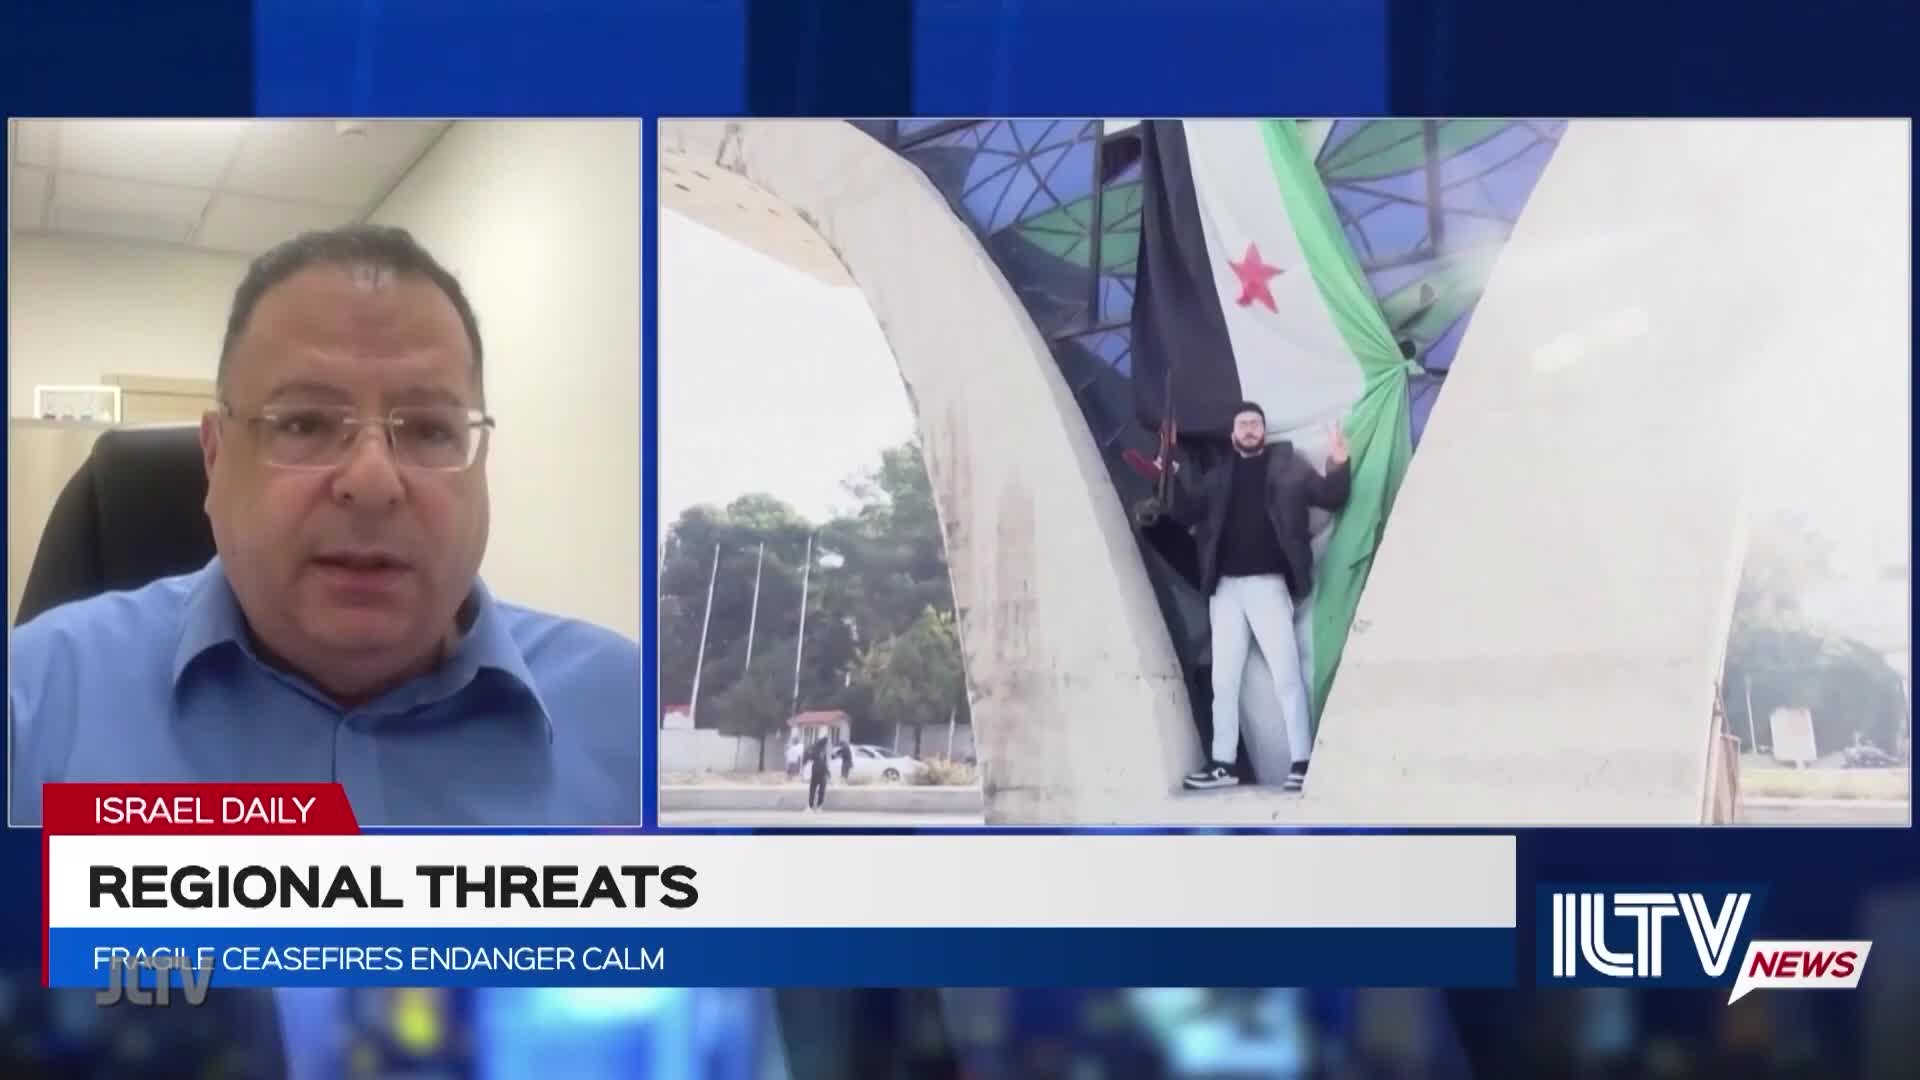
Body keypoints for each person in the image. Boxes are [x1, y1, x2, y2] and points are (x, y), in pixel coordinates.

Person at [8, 225, 642, 827]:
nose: (371, 484)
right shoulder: (34, 705)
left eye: (428, 430)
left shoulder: (629, 718)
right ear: (215, 457)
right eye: (303, 423)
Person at [1167, 400, 1349, 792]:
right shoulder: (1218, 476)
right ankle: (1223, 764)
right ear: (1233, 435)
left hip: (1269, 586)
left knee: (1287, 677)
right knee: (1225, 681)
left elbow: (1330, 496)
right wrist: (1167, 475)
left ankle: (1301, 761)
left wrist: (1337, 460)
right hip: (1226, 591)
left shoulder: (1289, 466)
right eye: (1243, 423)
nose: (1249, 428)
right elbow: (1187, 512)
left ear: (1263, 432)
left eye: (1255, 423)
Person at [805, 736, 832, 813]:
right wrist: (827, 772)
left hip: (815, 771)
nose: (829, 744)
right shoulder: (822, 751)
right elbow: (823, 763)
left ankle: (810, 806)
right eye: (828, 743)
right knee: (821, 790)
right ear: (825, 743)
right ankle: (818, 807)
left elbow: (810, 757)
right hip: (820, 772)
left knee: (813, 789)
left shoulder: (815, 748)